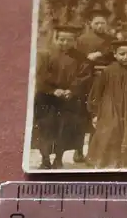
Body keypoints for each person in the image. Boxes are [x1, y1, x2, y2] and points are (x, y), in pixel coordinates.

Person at [33, 25, 91, 169]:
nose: (65, 43)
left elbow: (84, 76)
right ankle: (45, 159)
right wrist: (53, 90)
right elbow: (40, 76)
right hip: (47, 99)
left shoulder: (80, 58)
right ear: (56, 39)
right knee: (45, 129)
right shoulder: (46, 55)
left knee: (64, 130)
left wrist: (72, 90)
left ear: (74, 41)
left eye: (69, 40)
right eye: (62, 40)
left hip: (68, 100)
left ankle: (58, 158)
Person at [86, 40, 127, 169]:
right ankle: (108, 161)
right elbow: (97, 92)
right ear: (115, 54)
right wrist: (95, 113)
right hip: (110, 107)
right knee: (110, 130)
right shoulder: (108, 71)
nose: (125, 57)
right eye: (122, 54)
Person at [74, 8, 116, 162]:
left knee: (98, 115)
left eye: (102, 23)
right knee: (83, 116)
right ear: (90, 24)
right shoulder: (82, 40)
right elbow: (76, 60)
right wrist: (87, 58)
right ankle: (78, 151)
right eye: (96, 23)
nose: (100, 26)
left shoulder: (111, 40)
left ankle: (94, 152)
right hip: (87, 81)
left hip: (104, 81)